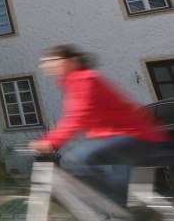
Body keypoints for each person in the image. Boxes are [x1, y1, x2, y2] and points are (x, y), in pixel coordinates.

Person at [29, 44, 172, 208]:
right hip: (132, 140)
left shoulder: (84, 80)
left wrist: (50, 141)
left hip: (133, 136)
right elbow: (75, 118)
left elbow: (77, 117)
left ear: (70, 61)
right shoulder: (76, 82)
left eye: (52, 60)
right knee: (135, 199)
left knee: (78, 159)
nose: (45, 65)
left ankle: (115, 205)